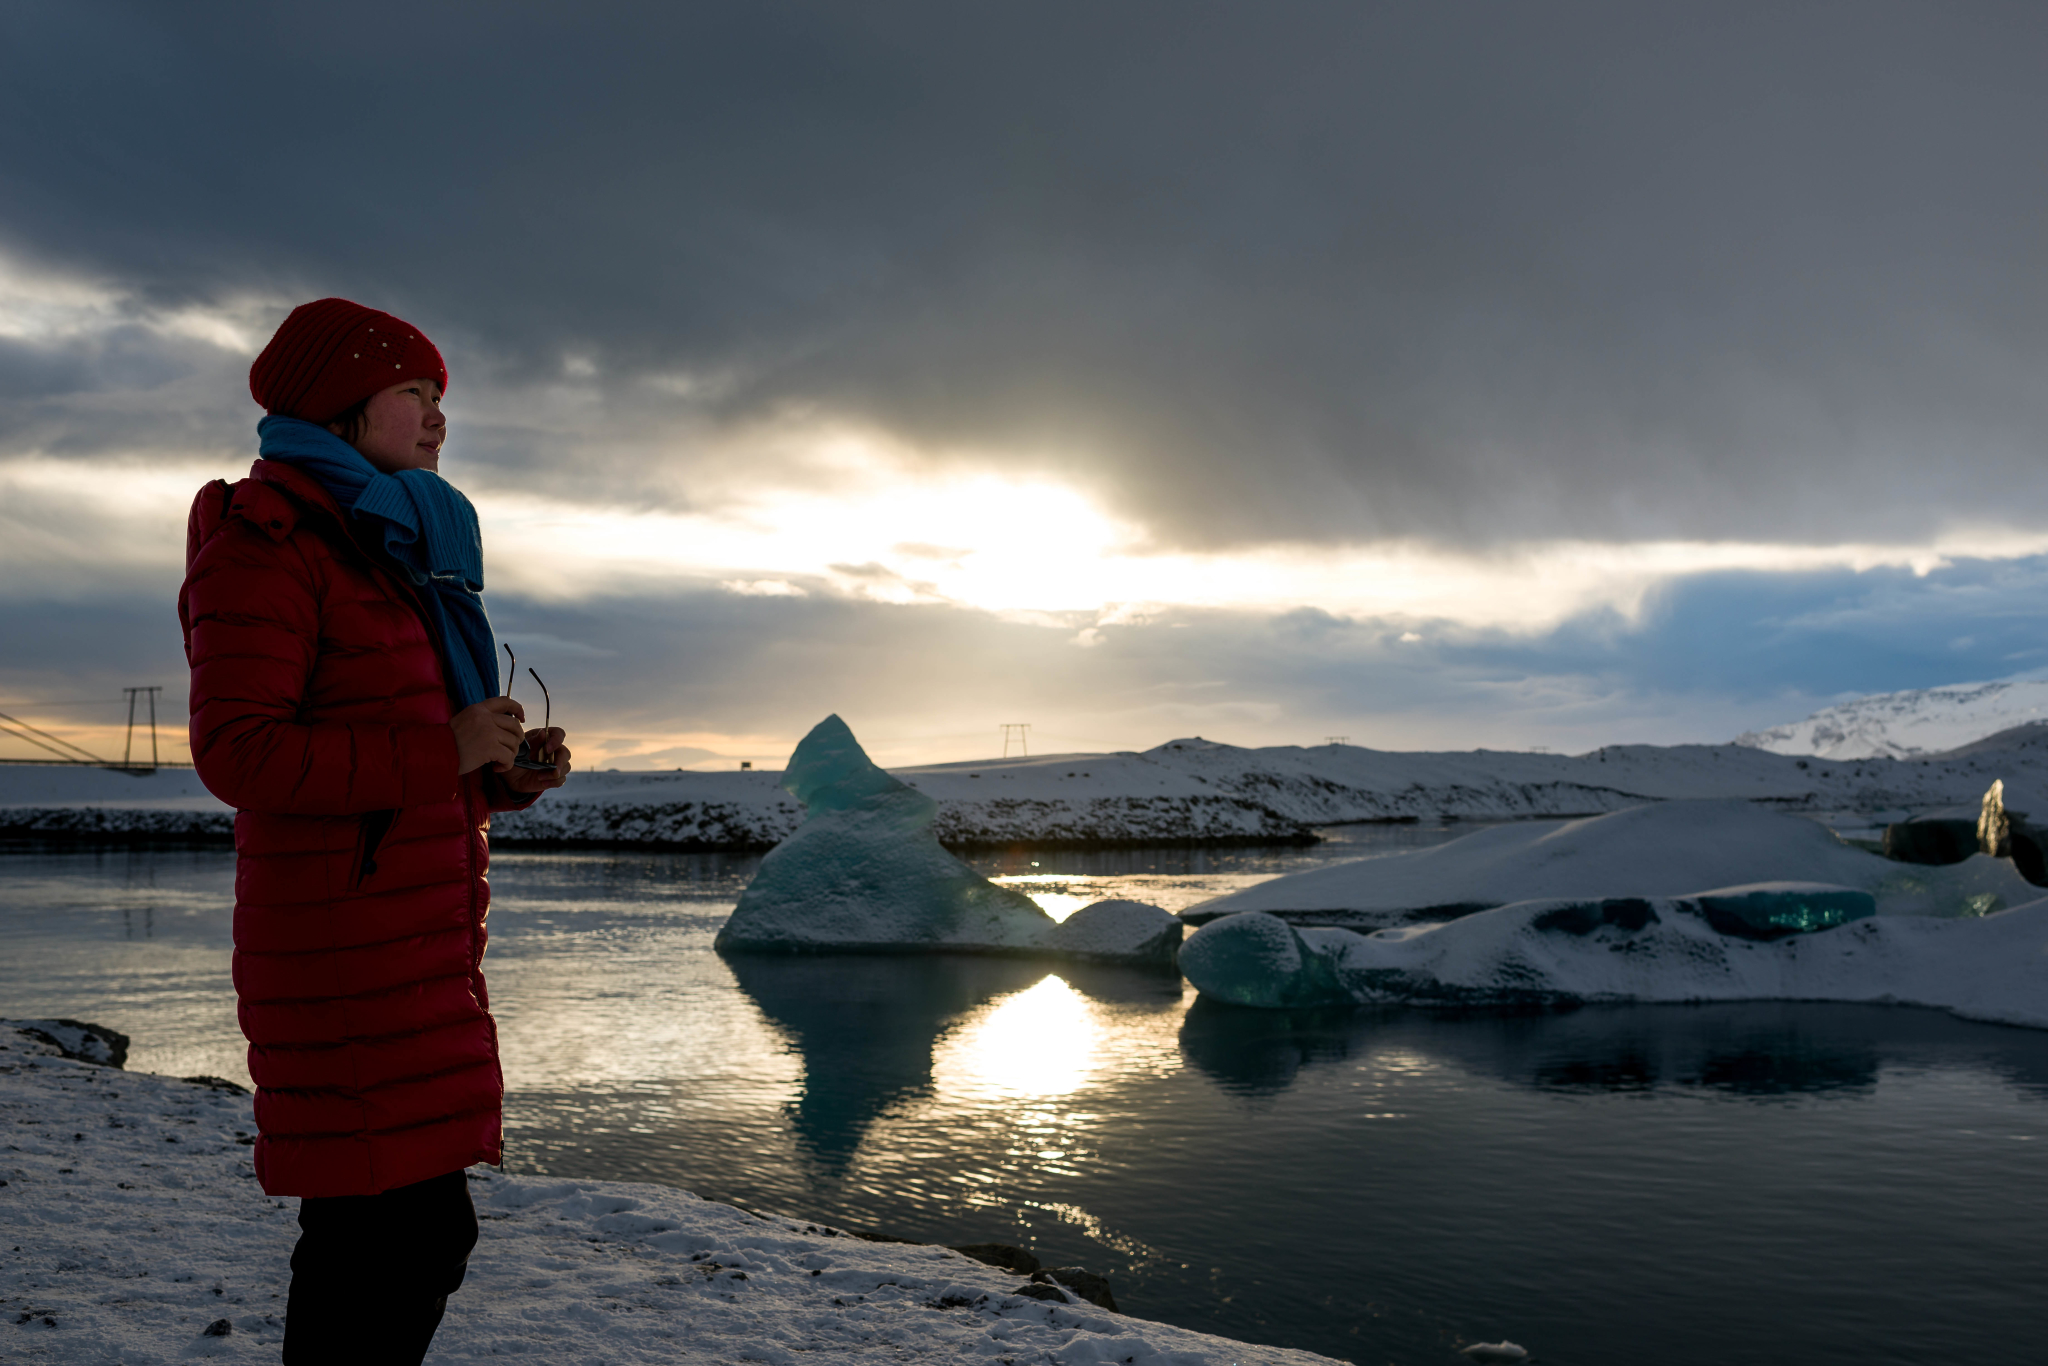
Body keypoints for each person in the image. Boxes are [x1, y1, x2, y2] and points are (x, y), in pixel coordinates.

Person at [178, 297, 570, 1364]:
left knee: (400, 1234)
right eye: (414, 392)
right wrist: (440, 749)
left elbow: (399, 749)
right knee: (389, 1235)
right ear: (340, 404)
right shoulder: (267, 543)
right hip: (339, 946)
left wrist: (497, 776)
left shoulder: (389, 545)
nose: (437, 417)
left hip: (407, 937)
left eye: (441, 396)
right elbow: (241, 753)